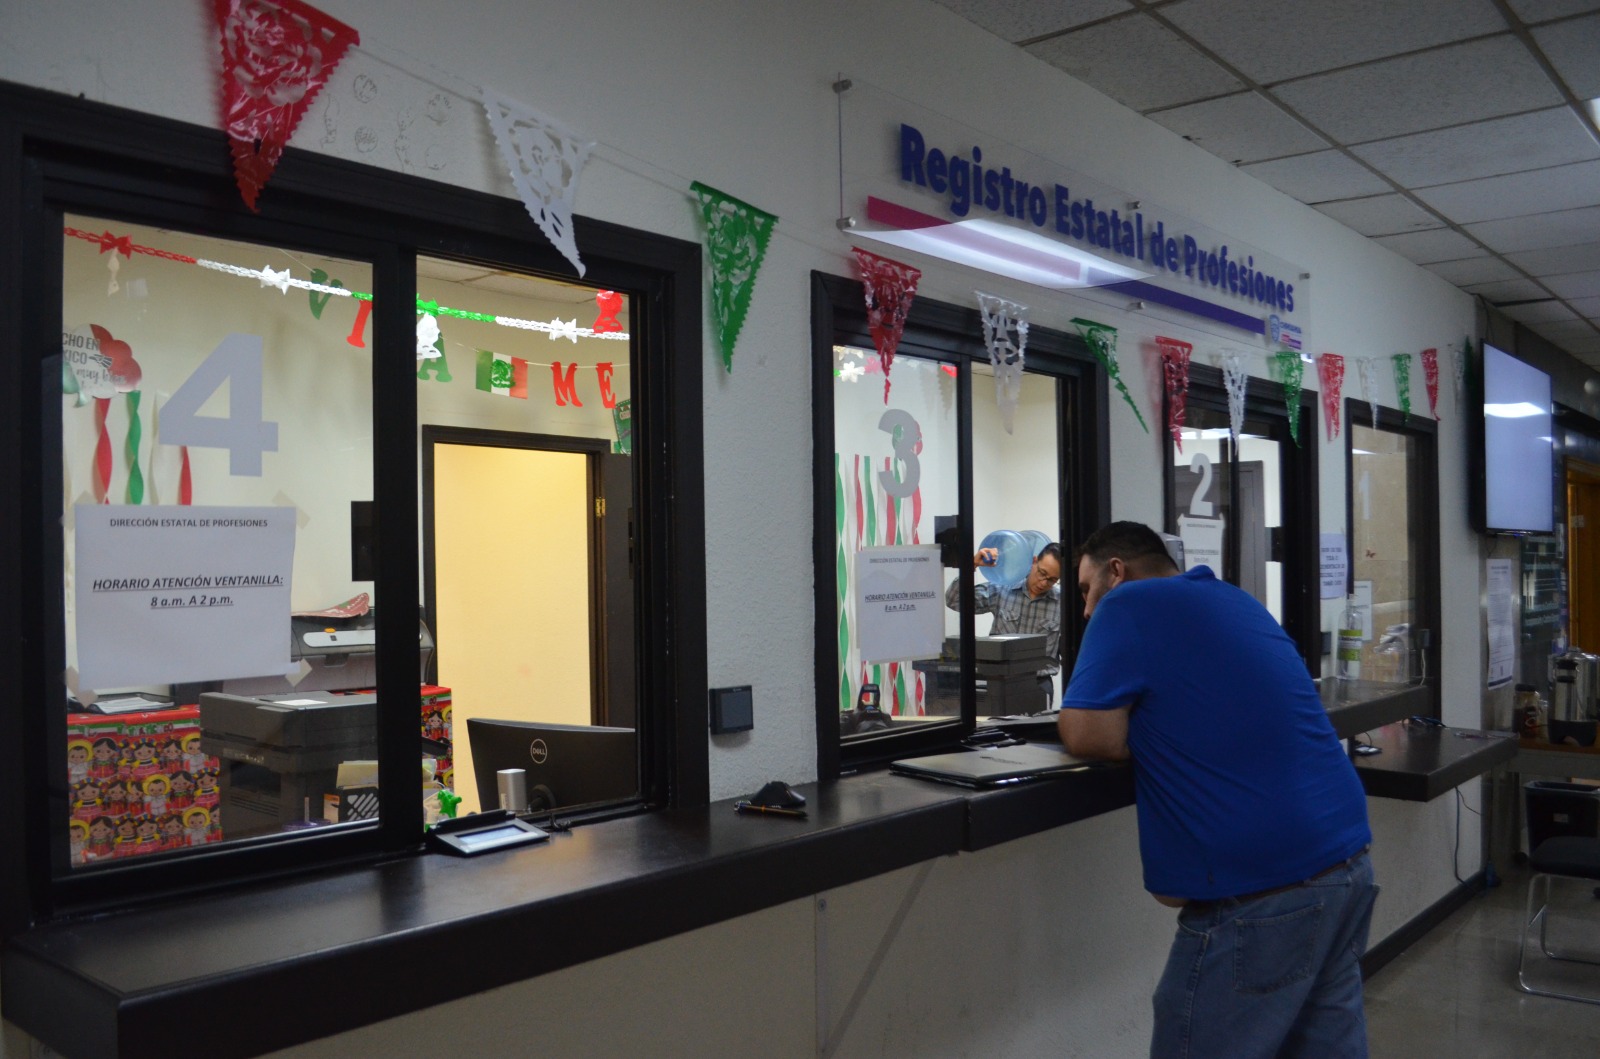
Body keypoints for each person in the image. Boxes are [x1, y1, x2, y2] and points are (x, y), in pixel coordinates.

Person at [1056, 521, 1375, 1059]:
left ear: (1116, 572)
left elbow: (1091, 734)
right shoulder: (1231, 598)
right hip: (1346, 861)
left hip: (1265, 888)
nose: (1086, 609)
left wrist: (1147, 732)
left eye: (1086, 590)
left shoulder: (1127, 603)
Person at [944, 539, 1063, 709]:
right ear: (1034, 561)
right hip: (998, 683)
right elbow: (954, 600)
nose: (1044, 583)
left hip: (1039, 684)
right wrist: (971, 565)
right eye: (1042, 573)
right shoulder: (1003, 588)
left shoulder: (1061, 603)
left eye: (1052, 579)